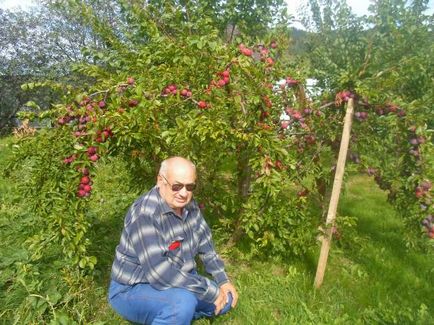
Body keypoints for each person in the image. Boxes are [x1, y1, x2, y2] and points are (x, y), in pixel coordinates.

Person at [108, 156, 238, 324]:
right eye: (177, 186)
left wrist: (222, 280)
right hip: (133, 288)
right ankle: (178, 311)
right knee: (183, 303)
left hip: (179, 279)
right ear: (160, 181)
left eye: (190, 187)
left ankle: (177, 314)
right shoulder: (145, 214)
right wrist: (210, 290)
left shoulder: (189, 206)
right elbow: (159, 273)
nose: (183, 193)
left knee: (226, 300)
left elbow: (206, 246)